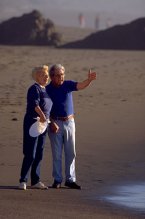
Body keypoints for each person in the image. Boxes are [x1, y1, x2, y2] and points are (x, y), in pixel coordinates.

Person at [46, 64, 96, 189]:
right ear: (52, 77)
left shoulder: (68, 84)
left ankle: (70, 179)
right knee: (57, 154)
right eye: (58, 75)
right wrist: (51, 123)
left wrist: (89, 80)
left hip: (69, 122)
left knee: (71, 152)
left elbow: (81, 85)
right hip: (55, 123)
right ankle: (57, 180)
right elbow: (45, 109)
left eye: (62, 74)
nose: (61, 77)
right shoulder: (47, 89)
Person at [19, 65, 53, 190]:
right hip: (33, 123)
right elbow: (35, 105)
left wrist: (49, 121)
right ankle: (23, 180)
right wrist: (42, 116)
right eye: (43, 75)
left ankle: (35, 180)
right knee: (30, 153)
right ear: (37, 77)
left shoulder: (45, 89)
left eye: (47, 76)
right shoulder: (34, 88)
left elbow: (48, 107)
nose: (46, 77)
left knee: (39, 153)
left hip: (43, 124)